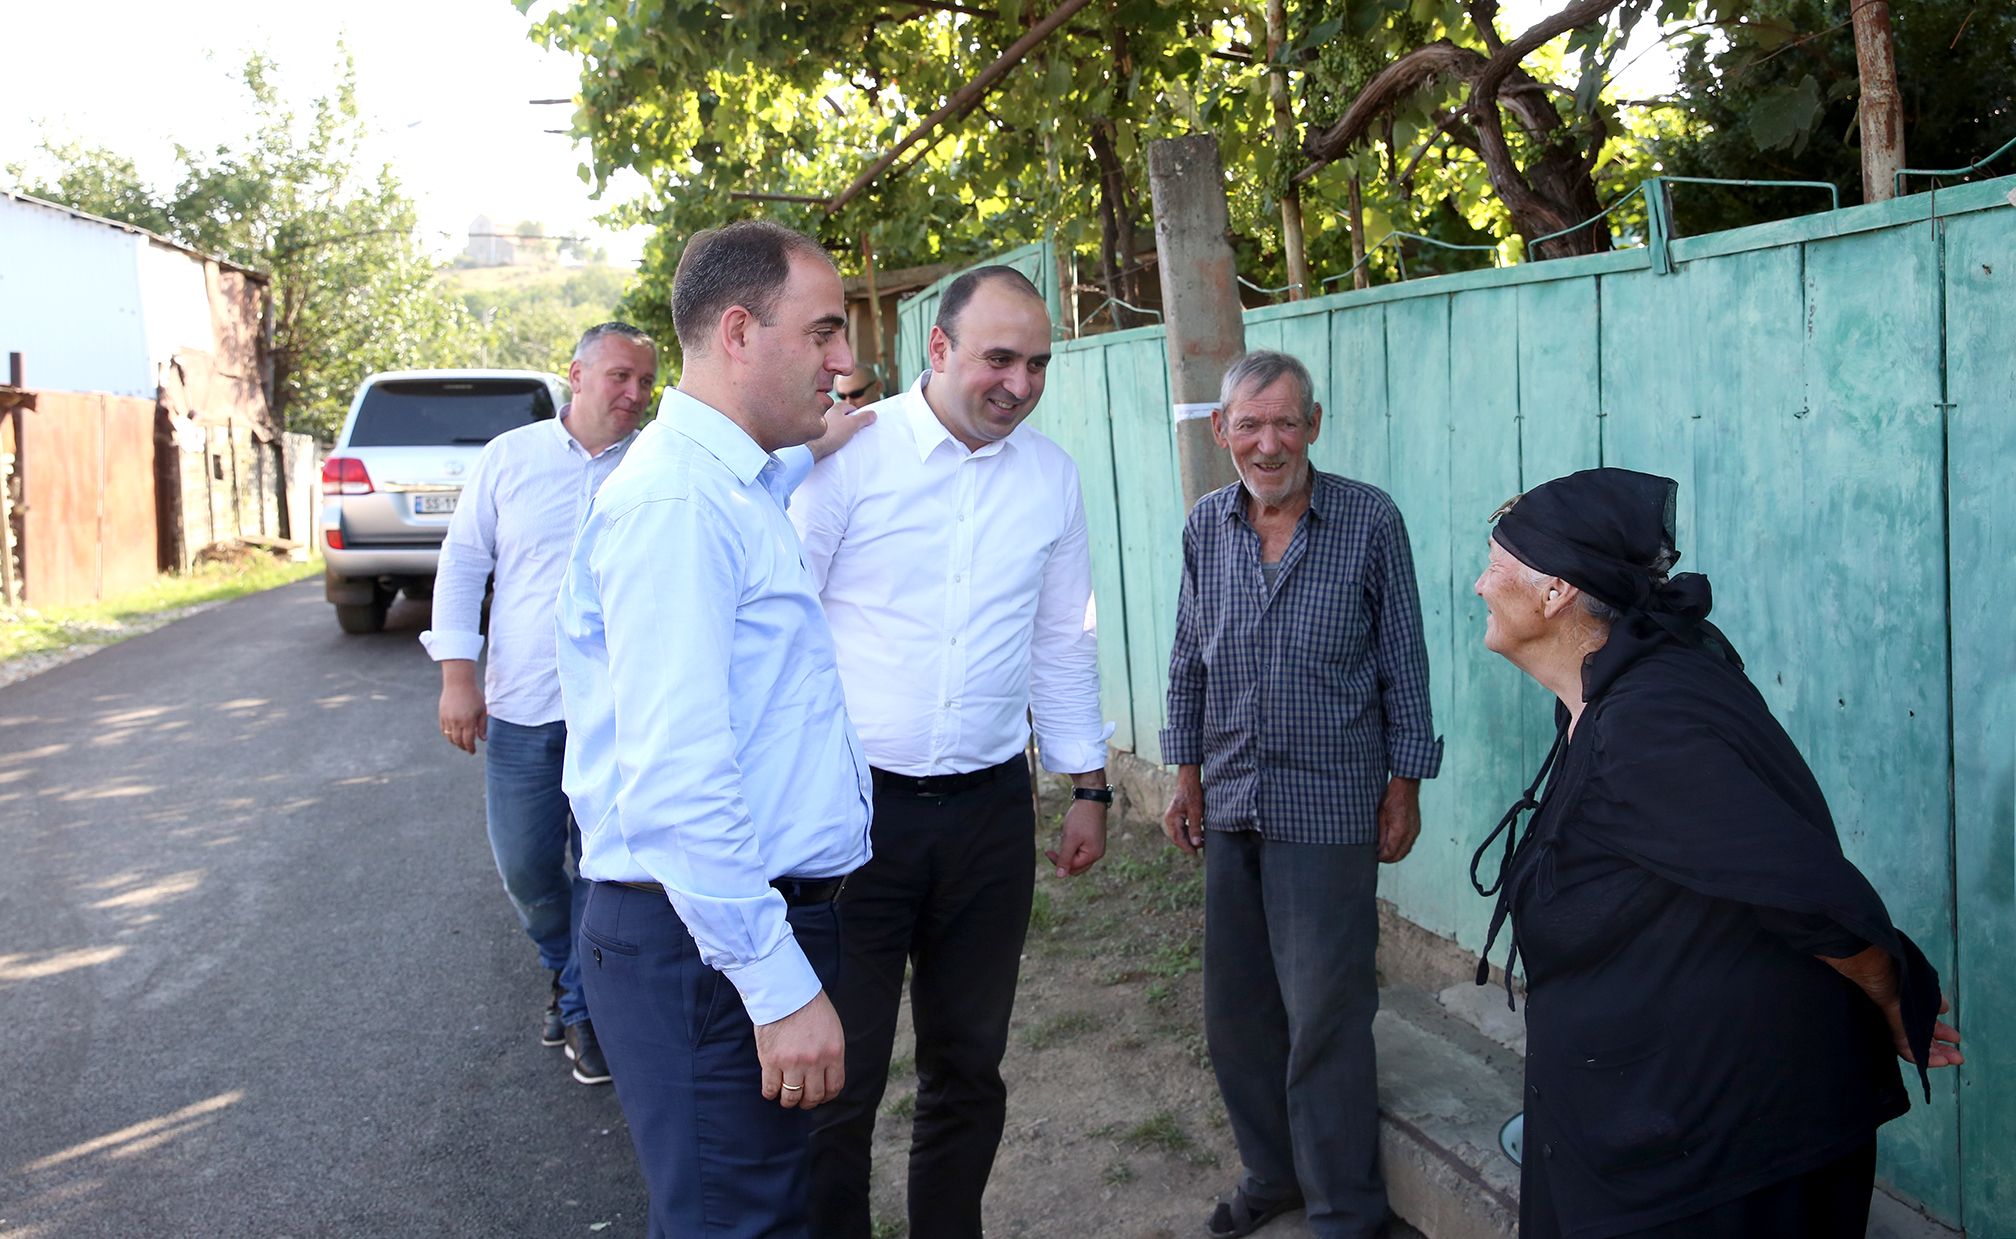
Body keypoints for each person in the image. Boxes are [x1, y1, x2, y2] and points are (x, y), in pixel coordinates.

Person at [1469, 467, 1961, 1239]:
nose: (1478, 585)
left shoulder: (1645, 727)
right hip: (1658, 1122)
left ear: (1555, 591)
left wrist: (1888, 988)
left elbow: (1802, 889)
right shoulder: (1619, 687)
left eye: (1494, 567)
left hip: (1724, 1163)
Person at [555, 219, 873, 1238]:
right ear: (739, 332)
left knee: (766, 1209)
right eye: (824, 332)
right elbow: (679, 784)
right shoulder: (680, 506)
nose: (845, 361)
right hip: (706, 944)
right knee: (740, 1225)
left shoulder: (726, 481)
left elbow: (790, 456)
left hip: (727, 928)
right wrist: (777, 992)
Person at [791, 266, 1113, 1239]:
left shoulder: (1049, 478)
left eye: (1039, 364)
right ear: (938, 351)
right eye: (999, 358)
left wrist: (1087, 783)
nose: (1020, 382)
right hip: (853, 820)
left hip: (986, 815)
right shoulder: (849, 456)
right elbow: (782, 629)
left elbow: (1065, 639)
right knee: (837, 1079)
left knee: (969, 1065)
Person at [1161, 349, 1442, 1239]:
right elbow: (1186, 655)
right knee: (1239, 1015)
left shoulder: (1367, 520)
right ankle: (1273, 1173)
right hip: (1234, 795)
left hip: (1330, 807)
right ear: (1223, 432)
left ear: (1313, 426)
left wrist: (1406, 782)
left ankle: (1345, 1209)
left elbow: (1405, 658)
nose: (1268, 442)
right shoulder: (1207, 524)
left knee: (1324, 1015)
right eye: (1250, 424)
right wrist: (1184, 771)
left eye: (1287, 422)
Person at [423, 320, 657, 1086]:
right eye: (620, 376)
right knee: (527, 867)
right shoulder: (510, 458)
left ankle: (585, 1008)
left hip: (620, 711)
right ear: (578, 375)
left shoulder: (655, 463)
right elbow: (463, 564)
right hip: (524, 706)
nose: (634, 394)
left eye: (646, 382)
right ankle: (565, 968)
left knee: (601, 864)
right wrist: (460, 674)